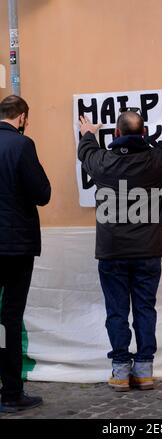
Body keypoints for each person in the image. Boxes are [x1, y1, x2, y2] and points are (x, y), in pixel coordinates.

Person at [78, 93, 162, 392]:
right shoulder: (155, 160)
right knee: (145, 309)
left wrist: (87, 134)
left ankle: (121, 371)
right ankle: (145, 370)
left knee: (117, 311)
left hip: (111, 253)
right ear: (145, 133)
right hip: (147, 252)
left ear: (117, 134)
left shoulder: (102, 162)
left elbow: (86, 153)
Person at [0, 95, 51, 412]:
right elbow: (42, 193)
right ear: (22, 118)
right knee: (10, 318)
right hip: (15, 246)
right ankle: (11, 392)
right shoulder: (22, 145)